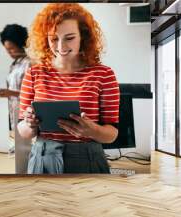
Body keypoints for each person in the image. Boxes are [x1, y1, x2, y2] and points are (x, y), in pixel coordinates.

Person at [17, 3, 120, 174]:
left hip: (88, 158)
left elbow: (112, 134)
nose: (61, 47)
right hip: (42, 158)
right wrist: (29, 124)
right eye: (54, 39)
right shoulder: (34, 73)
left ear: (83, 37)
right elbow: (24, 131)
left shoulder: (104, 74)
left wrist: (92, 130)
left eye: (69, 38)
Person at [0, 24, 31, 131]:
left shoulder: (30, 64)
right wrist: (4, 95)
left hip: (26, 115)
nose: (9, 52)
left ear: (20, 45)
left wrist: (11, 93)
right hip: (13, 114)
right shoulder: (14, 65)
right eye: (7, 49)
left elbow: (34, 95)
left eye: (11, 49)